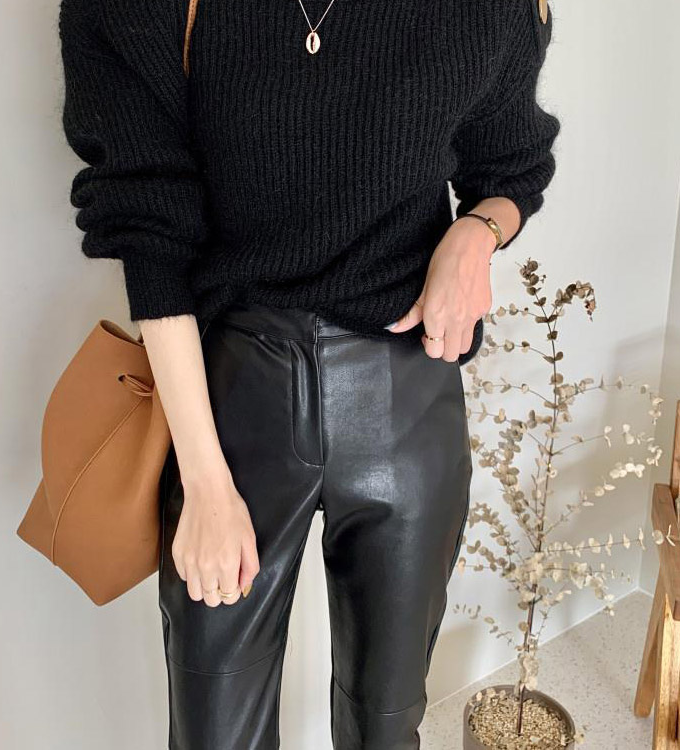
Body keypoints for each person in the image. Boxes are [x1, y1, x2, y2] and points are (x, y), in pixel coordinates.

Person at [57, 0, 560, 747]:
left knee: (386, 721)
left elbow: (511, 163)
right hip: (232, 406)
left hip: (408, 394)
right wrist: (205, 480)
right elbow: (146, 228)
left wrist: (477, 233)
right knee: (213, 727)